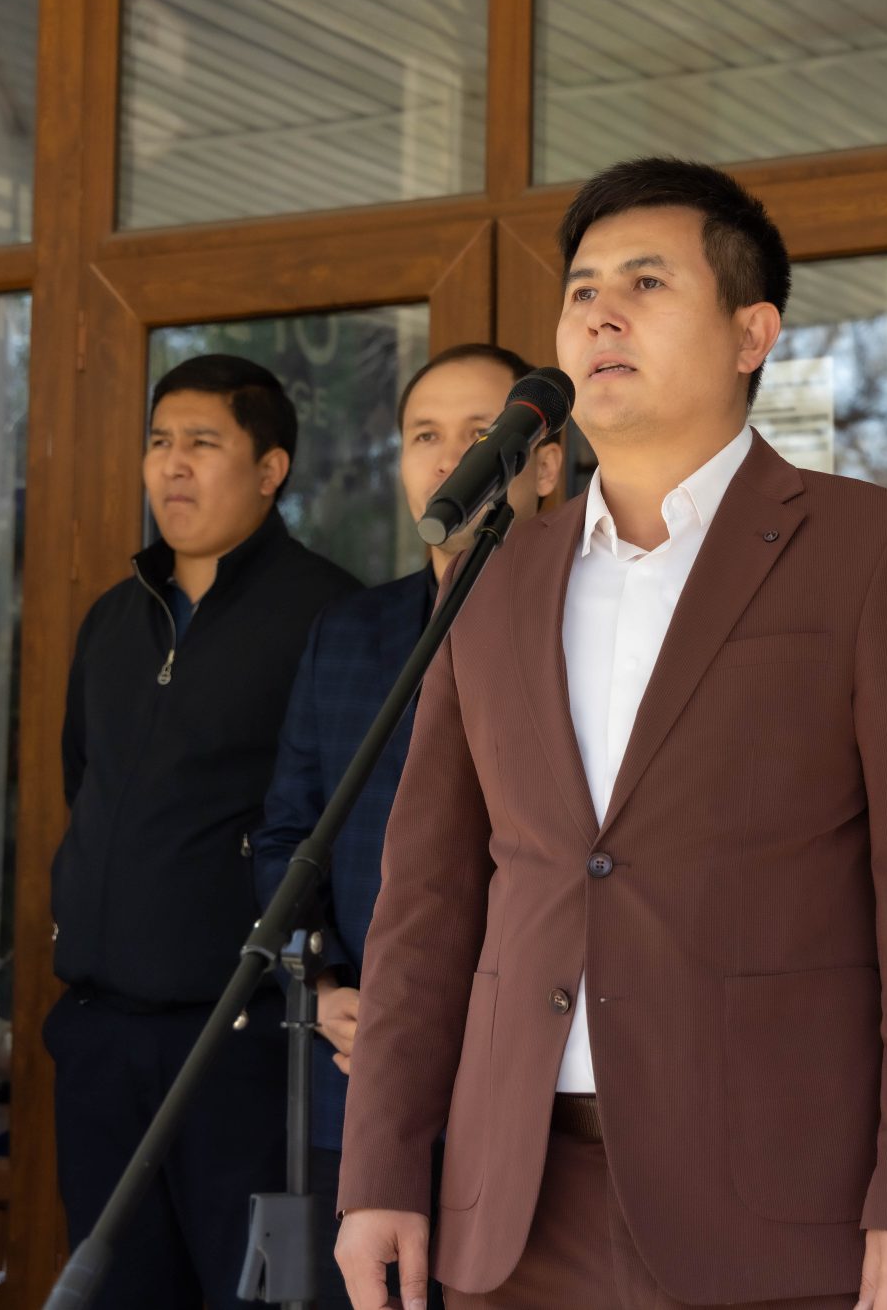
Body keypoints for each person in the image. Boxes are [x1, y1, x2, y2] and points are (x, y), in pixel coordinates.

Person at [334, 159, 887, 1310]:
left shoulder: (875, 553)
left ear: (751, 333)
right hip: (516, 1211)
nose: (601, 312)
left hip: (776, 1210)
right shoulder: (491, 575)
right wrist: (379, 1173)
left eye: (645, 283)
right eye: (581, 289)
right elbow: (427, 900)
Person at [253, 343, 562, 1309]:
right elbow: (287, 836)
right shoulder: (350, 633)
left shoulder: (593, 627)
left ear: (546, 465)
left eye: (481, 435)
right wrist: (325, 987)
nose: (449, 458)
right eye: (425, 436)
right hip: (365, 1075)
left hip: (541, 1084)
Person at [47, 354, 358, 1309]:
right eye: (159, 442)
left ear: (270, 469)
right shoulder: (115, 616)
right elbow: (82, 782)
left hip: (241, 1038)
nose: (172, 464)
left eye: (202, 443)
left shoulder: (328, 614)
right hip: (101, 1037)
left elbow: (343, 824)